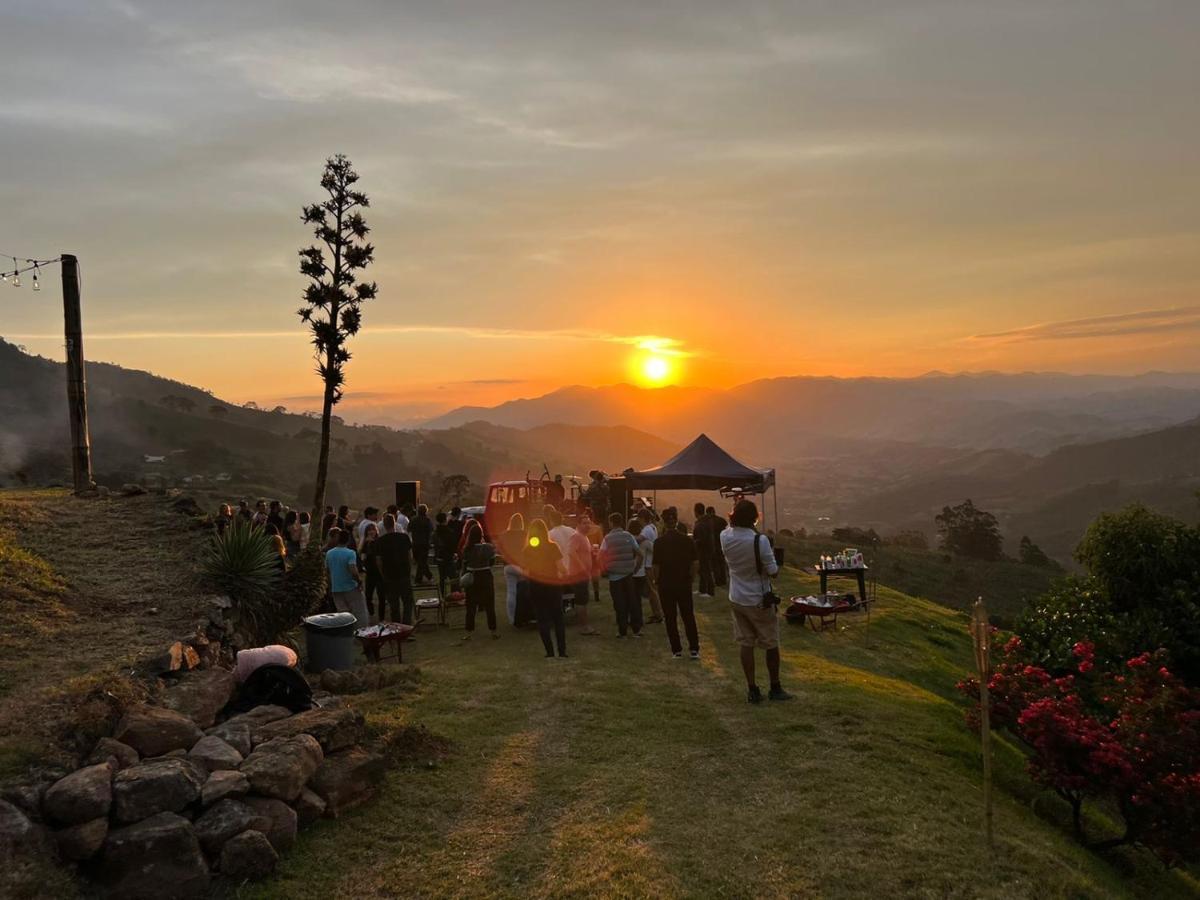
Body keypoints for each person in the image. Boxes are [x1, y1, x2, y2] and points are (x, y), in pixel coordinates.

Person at [720, 499, 793, 704]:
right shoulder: (759, 541)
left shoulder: (724, 536)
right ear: (754, 518)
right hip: (758, 598)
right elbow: (773, 572)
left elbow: (730, 527)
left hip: (736, 595)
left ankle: (752, 689)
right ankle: (775, 687)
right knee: (771, 643)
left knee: (746, 643)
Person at [653, 507, 700, 659]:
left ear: (665, 523)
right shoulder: (687, 540)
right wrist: (691, 577)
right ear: (676, 520)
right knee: (688, 616)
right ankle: (694, 649)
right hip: (683, 582)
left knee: (670, 617)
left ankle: (676, 650)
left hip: (666, 583)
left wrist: (656, 580)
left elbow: (656, 566)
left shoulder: (659, 542)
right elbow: (695, 562)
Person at [524, 518, 566, 658]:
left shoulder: (528, 549)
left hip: (536, 585)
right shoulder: (552, 547)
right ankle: (562, 651)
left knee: (542, 620)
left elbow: (525, 571)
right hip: (552, 584)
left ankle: (549, 652)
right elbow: (561, 568)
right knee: (558, 618)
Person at [600, 512, 644, 637]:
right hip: (628, 574)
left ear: (611, 523)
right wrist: (636, 568)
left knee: (619, 603)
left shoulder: (607, 538)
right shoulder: (629, 536)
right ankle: (636, 629)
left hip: (614, 576)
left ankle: (622, 630)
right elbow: (639, 554)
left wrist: (604, 569)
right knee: (632, 601)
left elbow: (600, 555)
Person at [373, 513, 414, 624]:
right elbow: (410, 555)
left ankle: (397, 626)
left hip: (389, 575)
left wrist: (383, 574)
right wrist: (409, 569)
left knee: (394, 604)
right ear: (395, 523)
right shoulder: (404, 537)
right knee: (407, 602)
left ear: (384, 526)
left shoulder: (380, 541)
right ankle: (407, 624)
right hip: (404, 572)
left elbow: (379, 561)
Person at [460, 520, 498, 640]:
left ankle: (468, 632)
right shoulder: (488, 547)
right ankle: (493, 631)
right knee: (490, 605)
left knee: (470, 606)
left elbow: (464, 565)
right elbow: (492, 562)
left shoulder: (467, 549)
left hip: (472, 577)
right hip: (486, 575)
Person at [325, 528, 369, 625]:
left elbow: (327, 571)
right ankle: (361, 633)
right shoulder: (350, 553)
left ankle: (346, 634)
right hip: (350, 587)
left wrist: (330, 585)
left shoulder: (329, 553)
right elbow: (353, 570)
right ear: (348, 540)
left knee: (343, 615)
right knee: (359, 612)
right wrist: (359, 581)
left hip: (336, 588)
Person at [565, 512, 599, 635]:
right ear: (578, 524)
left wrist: (594, 554)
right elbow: (571, 552)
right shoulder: (576, 536)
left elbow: (585, 553)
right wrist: (582, 567)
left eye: (588, 523)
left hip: (584, 574)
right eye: (584, 523)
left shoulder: (585, 537)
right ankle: (584, 627)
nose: (587, 525)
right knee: (581, 600)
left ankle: (584, 625)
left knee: (583, 599)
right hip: (578, 574)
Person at [497, 512, 527, 625]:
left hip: (508, 565)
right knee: (523, 591)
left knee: (511, 592)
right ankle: (524, 614)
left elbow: (499, 551)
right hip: (521, 565)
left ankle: (512, 618)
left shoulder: (504, 534)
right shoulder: (525, 534)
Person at [635, 509, 663, 623]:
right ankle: (656, 613)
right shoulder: (653, 527)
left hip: (647, 563)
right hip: (650, 562)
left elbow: (638, 540)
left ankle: (658, 614)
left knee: (651, 590)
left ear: (643, 518)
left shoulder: (646, 530)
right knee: (652, 589)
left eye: (639, 518)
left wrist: (628, 537)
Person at [359, 522, 383, 622]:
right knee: (368, 596)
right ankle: (371, 613)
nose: (371, 532)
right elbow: (360, 555)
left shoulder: (379, 541)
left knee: (381, 595)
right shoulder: (365, 543)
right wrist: (365, 542)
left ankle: (381, 617)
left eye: (373, 529)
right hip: (369, 572)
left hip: (379, 571)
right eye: (369, 530)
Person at [693, 502, 716, 596]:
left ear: (696, 512)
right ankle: (702, 590)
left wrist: (694, 542)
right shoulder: (705, 521)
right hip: (705, 549)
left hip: (704, 549)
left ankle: (710, 592)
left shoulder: (702, 522)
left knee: (706, 570)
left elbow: (702, 538)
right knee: (702, 570)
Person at [409, 504, 434, 584]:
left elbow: (408, 529)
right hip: (424, 544)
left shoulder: (413, 520)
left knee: (420, 561)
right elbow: (431, 531)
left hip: (415, 544)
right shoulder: (427, 521)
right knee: (422, 561)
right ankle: (425, 577)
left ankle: (422, 578)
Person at [434, 511, 457, 596]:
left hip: (440, 557)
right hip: (448, 556)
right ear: (445, 520)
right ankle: (454, 594)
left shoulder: (436, 532)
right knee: (453, 578)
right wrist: (453, 553)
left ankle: (443, 595)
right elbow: (452, 544)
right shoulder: (449, 531)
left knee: (442, 578)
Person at [709, 505, 729, 587]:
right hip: (722, 544)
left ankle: (718, 581)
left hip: (713, 545)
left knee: (715, 564)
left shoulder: (709, 522)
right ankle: (723, 579)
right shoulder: (721, 520)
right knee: (721, 563)